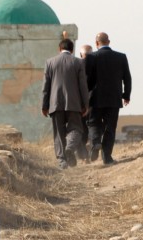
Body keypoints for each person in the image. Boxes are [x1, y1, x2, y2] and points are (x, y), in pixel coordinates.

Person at [41, 37, 89, 169]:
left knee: (58, 132)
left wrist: (44, 105)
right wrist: (86, 104)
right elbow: (83, 86)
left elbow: (46, 86)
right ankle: (70, 147)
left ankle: (62, 161)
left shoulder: (50, 62)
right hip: (74, 103)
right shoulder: (78, 63)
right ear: (72, 50)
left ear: (59, 49)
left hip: (55, 103)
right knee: (76, 129)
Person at [84, 32, 132, 165]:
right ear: (109, 42)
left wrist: (85, 98)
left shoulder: (91, 57)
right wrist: (126, 95)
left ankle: (95, 143)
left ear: (96, 43)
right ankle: (107, 158)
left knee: (93, 123)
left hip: (95, 98)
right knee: (110, 128)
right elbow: (127, 78)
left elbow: (87, 80)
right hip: (114, 99)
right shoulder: (121, 57)